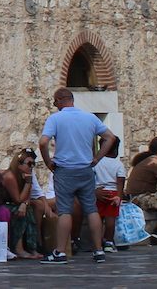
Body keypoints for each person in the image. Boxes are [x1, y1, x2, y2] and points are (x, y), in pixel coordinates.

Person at [38, 87, 118, 264]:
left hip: (65, 170)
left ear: (59, 100)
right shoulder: (89, 117)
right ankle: (98, 251)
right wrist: (97, 158)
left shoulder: (56, 118)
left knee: (65, 210)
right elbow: (110, 137)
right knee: (91, 209)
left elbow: (43, 142)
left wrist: (47, 162)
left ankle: (60, 252)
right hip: (86, 169)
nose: (55, 105)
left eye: (55, 102)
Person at [2, 150, 43, 259]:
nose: (31, 167)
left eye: (33, 164)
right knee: (20, 212)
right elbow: (17, 199)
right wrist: (28, 183)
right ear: (19, 164)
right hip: (4, 205)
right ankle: (18, 248)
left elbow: (27, 197)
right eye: (29, 164)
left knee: (28, 210)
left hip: (16, 204)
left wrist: (25, 203)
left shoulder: (25, 176)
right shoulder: (10, 176)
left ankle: (32, 246)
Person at [92, 138, 126, 247]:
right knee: (110, 219)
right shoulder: (118, 164)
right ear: (116, 149)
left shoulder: (96, 163)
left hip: (99, 192)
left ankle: (97, 242)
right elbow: (120, 181)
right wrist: (119, 196)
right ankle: (109, 241)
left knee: (98, 218)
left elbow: (91, 178)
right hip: (113, 193)